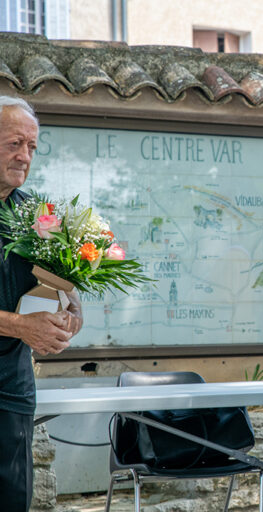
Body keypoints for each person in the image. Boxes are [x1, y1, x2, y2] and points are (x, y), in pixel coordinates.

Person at [0, 96, 82, 512]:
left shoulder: (36, 215)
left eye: (32, 146)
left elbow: (68, 291)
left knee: (13, 500)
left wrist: (69, 318)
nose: (24, 156)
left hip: (10, 390)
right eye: (15, 143)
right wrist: (20, 326)